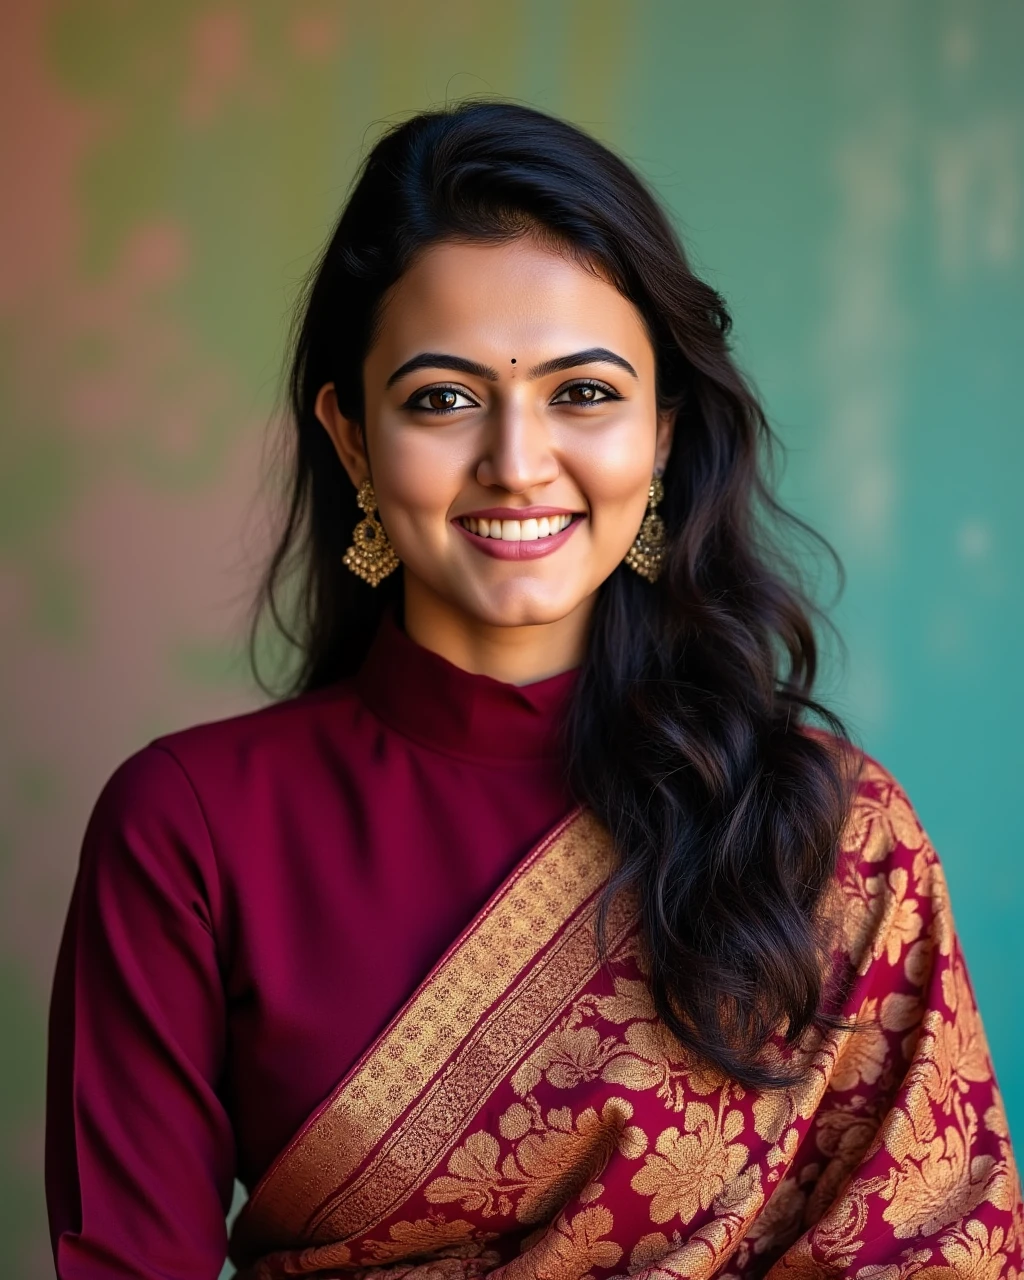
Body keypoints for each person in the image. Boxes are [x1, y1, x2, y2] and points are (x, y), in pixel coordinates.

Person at [45, 101, 1022, 1280]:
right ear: (351, 437)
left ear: (661, 429)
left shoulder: (833, 839)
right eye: (442, 399)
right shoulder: (191, 825)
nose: (517, 459)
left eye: (583, 393)